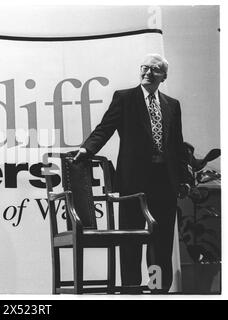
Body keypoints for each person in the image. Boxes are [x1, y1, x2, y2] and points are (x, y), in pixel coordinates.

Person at [74, 53, 189, 293]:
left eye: (154, 70)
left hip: (165, 184)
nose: (148, 72)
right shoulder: (125, 98)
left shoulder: (172, 105)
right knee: (132, 241)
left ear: (163, 76)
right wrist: (87, 149)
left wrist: (184, 179)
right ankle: (131, 290)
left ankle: (157, 289)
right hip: (133, 184)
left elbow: (177, 145)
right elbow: (105, 128)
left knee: (161, 241)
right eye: (144, 68)